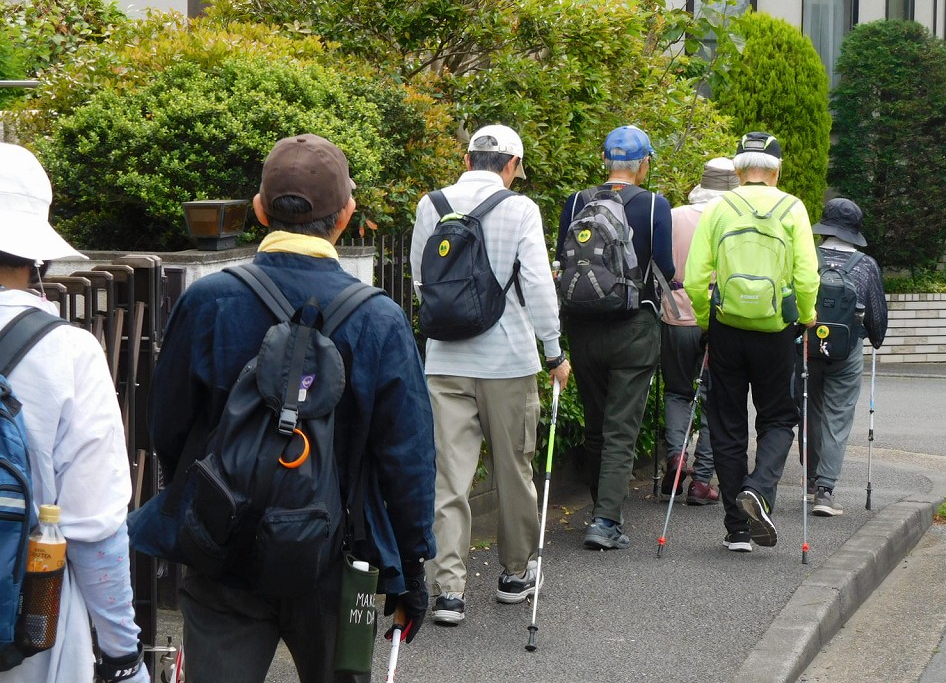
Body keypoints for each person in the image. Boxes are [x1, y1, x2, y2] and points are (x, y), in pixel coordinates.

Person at [132, 134, 436, 683]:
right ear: (346, 215)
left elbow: (166, 428)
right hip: (340, 557)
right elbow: (407, 456)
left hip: (223, 549)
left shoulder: (209, 301)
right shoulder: (379, 319)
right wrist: (411, 565)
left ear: (258, 209)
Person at [410, 125, 570, 626]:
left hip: (445, 361)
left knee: (448, 479)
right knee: (514, 469)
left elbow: (421, 280)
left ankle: (449, 593)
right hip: (508, 363)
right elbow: (540, 286)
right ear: (513, 165)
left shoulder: (429, 204)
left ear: (467, 156)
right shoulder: (520, 209)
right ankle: (514, 575)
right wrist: (554, 352)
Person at [0, 143, 148, 683]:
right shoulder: (67, 352)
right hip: (31, 633)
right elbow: (93, 530)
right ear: (35, 253)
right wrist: (122, 656)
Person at [684, 132, 818, 553]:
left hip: (727, 329)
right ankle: (758, 490)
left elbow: (693, 278)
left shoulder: (719, 207)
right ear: (776, 170)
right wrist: (806, 314)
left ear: (738, 169)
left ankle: (737, 529)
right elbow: (807, 276)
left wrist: (709, 320)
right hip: (776, 330)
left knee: (725, 424)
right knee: (778, 417)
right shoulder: (792, 207)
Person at [556, 125, 674, 550]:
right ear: (643, 164)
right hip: (633, 328)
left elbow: (562, 262)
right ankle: (605, 521)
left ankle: (598, 507)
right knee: (622, 427)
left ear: (605, 161)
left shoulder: (575, 202)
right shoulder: (655, 204)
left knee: (596, 423)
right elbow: (664, 266)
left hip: (584, 327)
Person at [658, 157, 740, 505]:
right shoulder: (735, 219)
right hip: (718, 318)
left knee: (677, 392)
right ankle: (702, 480)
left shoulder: (674, 216)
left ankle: (677, 459)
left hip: (674, 314)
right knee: (714, 400)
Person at [806, 198, 888, 516]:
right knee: (837, 415)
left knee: (810, 410)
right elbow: (877, 318)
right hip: (847, 350)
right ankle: (825, 491)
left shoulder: (808, 257)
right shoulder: (865, 266)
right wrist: (876, 339)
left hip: (807, 346)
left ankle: (812, 480)